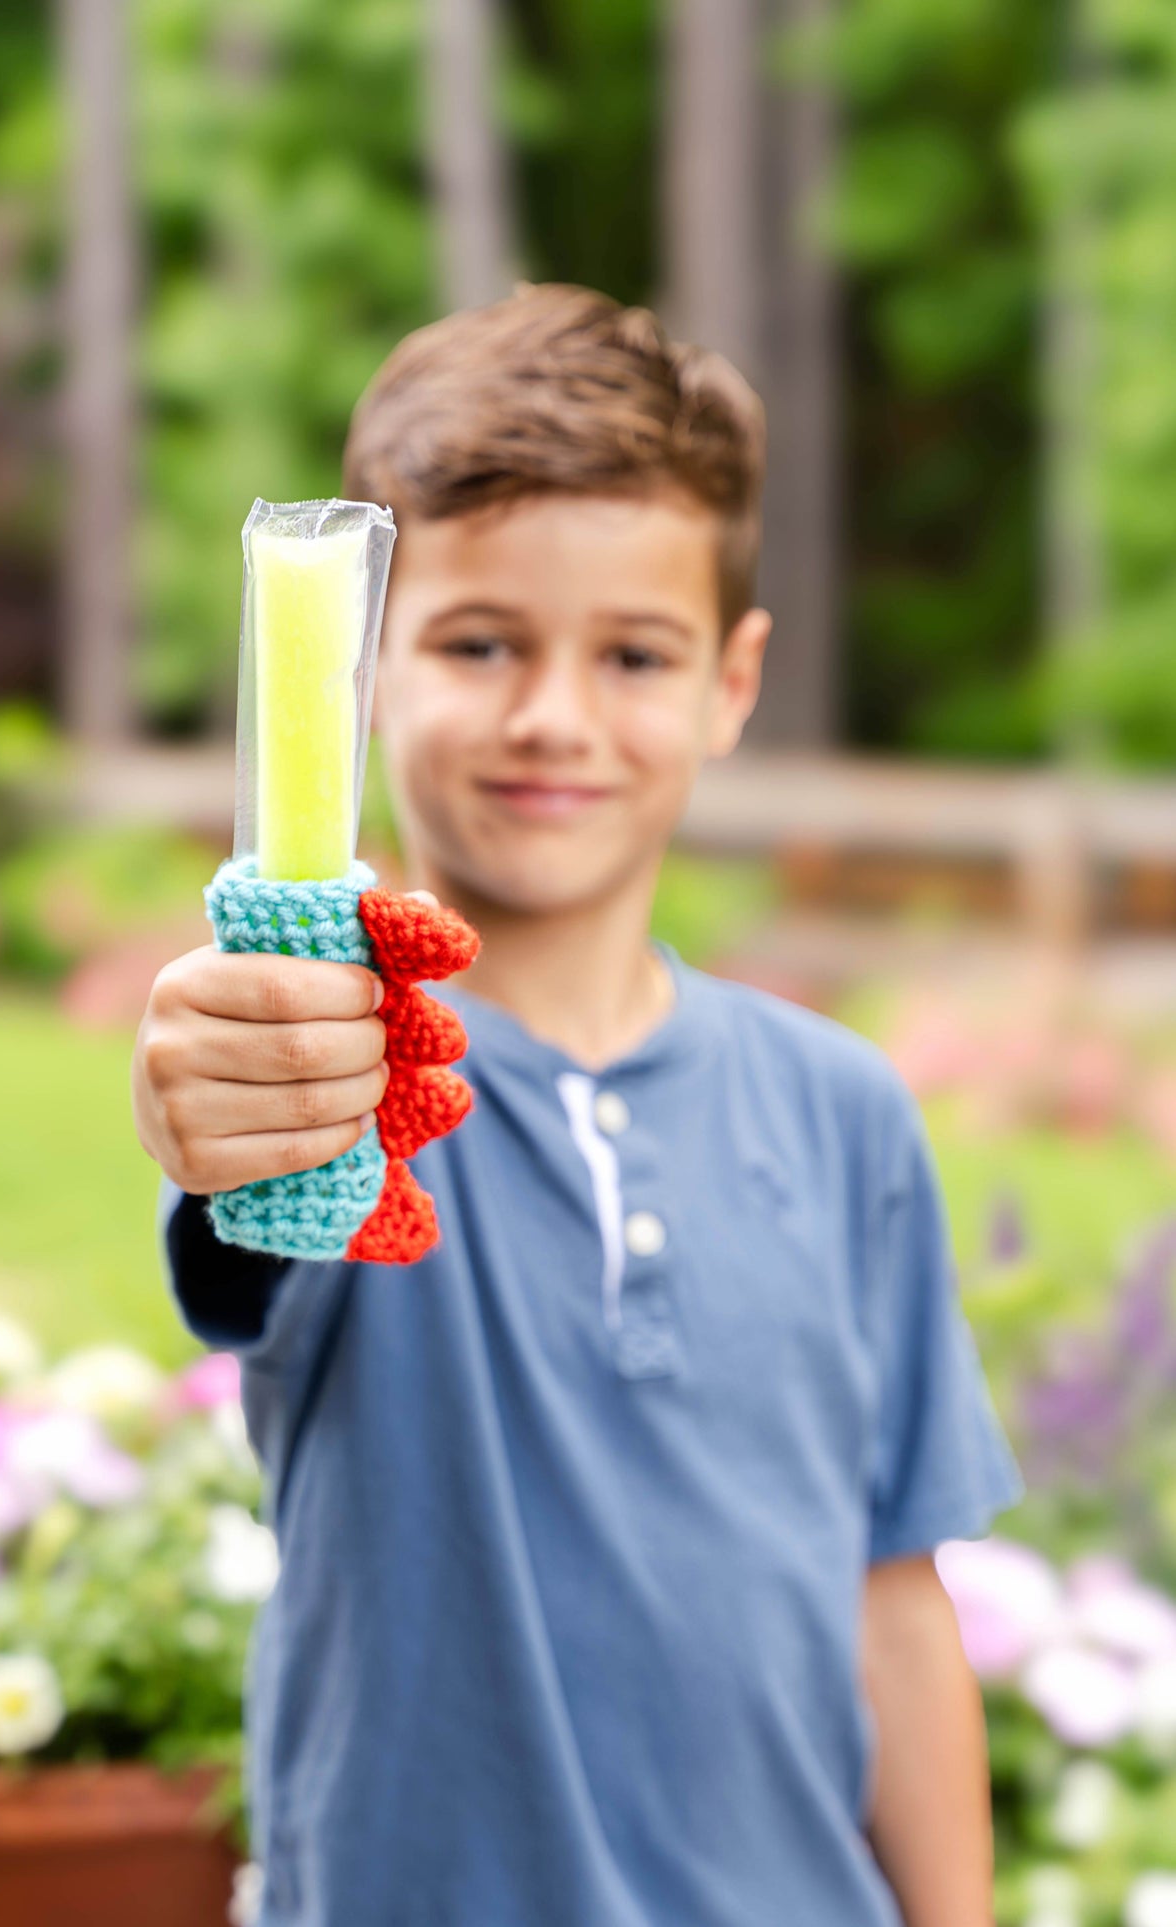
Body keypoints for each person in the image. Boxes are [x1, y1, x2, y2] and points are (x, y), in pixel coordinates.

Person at [132, 282, 1023, 1927]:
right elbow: (238, 1144)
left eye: (631, 654)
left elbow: (889, 1600)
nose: (553, 715)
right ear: (362, 668)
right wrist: (227, 1073)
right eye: (478, 642)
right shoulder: (360, 1068)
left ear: (730, 683)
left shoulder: (843, 1114)